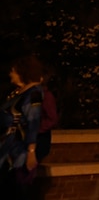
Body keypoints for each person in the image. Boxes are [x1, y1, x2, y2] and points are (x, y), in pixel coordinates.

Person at [2, 55, 46, 199]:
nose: (10, 73)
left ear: (22, 72)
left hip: (17, 150)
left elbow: (33, 123)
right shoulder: (18, 92)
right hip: (7, 147)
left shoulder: (33, 94)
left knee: (16, 188)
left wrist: (31, 151)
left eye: (13, 70)